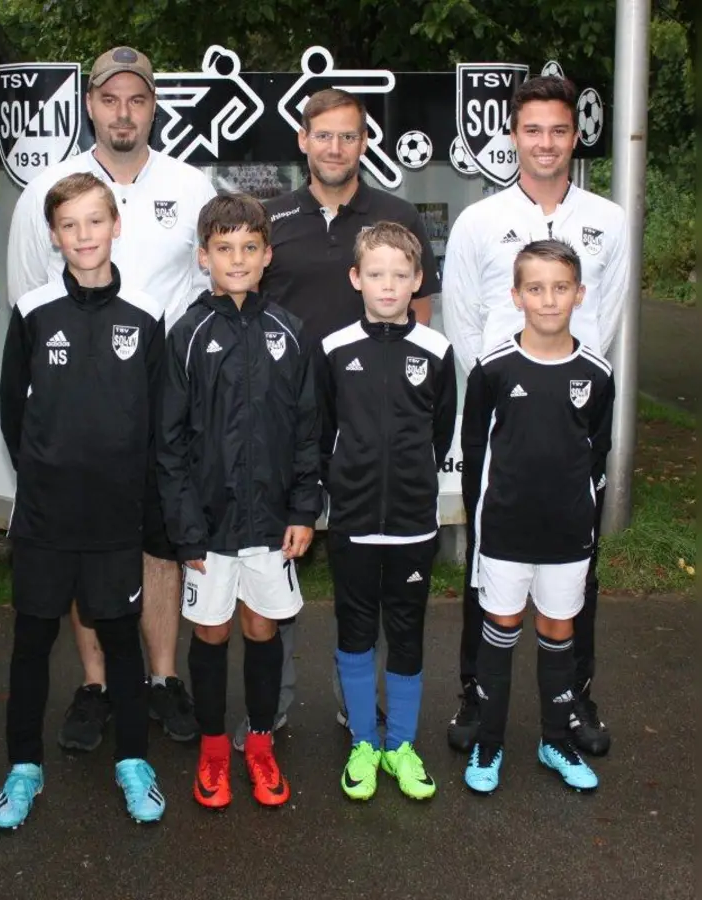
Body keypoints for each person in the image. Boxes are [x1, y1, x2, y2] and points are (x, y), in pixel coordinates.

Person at [5, 46, 217, 750]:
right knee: (80, 544)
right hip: (78, 415)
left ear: (153, 106)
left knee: (156, 544)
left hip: (165, 397)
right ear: (90, 104)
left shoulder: (192, 185)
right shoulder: (48, 192)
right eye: (110, 99)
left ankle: (160, 678)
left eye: (137, 99)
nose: (123, 112)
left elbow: (215, 282)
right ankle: (95, 686)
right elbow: (30, 303)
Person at [246, 88, 444, 749]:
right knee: (278, 565)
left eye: (349, 136)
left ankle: (353, 712)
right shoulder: (270, 219)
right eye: (323, 135)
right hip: (285, 425)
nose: (336, 147)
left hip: (368, 432)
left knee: (370, 579)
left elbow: (422, 321)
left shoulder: (395, 216)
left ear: (365, 143)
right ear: (302, 140)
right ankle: (269, 706)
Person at [443, 74, 628, 757]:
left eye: (558, 130)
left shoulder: (608, 219)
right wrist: (501, 383)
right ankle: (476, 695)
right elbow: (464, 319)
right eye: (533, 130)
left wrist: (572, 384)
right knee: (488, 556)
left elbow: (605, 315)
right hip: (500, 408)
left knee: (579, 557)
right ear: (513, 136)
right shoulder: (479, 222)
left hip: (576, 405)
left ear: (573, 137)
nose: (545, 143)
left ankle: (573, 695)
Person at [0, 173, 168, 831]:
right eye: (70, 225)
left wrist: (147, 501)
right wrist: (40, 477)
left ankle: (132, 762)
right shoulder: (33, 311)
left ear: (115, 224)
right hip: (45, 518)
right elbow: (13, 414)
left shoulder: (147, 315)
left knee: (122, 639)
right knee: (31, 640)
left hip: (115, 520)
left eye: (95, 221)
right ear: (55, 234)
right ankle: (23, 768)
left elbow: (158, 421)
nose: (84, 236)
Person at [157, 193, 320, 809]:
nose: (237, 258)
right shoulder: (188, 335)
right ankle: (212, 749)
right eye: (224, 248)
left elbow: (307, 429)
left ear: (267, 255)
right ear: (204, 256)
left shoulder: (290, 333)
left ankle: (259, 745)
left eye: (249, 247)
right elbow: (168, 443)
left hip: (273, 521)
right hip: (209, 524)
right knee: (213, 631)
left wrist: (304, 508)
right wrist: (185, 527)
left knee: (261, 626)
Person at [459, 240, 612, 796]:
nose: (549, 300)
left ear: (580, 293)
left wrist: (581, 512)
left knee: (558, 629)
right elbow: (476, 454)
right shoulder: (494, 369)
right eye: (536, 288)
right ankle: (489, 741)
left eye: (561, 287)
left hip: (568, 533)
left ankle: (554, 739)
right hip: (504, 531)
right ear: (516, 295)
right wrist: (486, 521)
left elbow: (597, 453)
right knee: (499, 630)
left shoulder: (596, 373)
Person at [316, 222, 456, 801]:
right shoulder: (333, 349)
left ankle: (401, 744)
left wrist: (413, 484)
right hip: (351, 524)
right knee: (354, 632)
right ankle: (364, 746)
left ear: (418, 279)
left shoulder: (437, 351)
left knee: (405, 633)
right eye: (376, 274)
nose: (389, 285)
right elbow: (323, 432)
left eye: (401, 275)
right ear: (357, 279)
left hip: (411, 526)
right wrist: (344, 486)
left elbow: (440, 435)